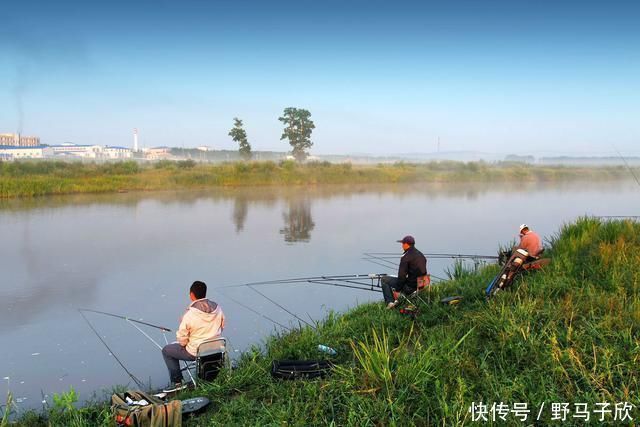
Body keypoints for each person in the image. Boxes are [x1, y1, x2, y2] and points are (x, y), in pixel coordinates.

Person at [161, 281, 225, 392]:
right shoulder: (218, 309)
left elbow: (182, 340)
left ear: (191, 295)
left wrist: (185, 343)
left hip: (196, 352)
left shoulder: (190, 315)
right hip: (216, 349)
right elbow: (222, 325)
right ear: (205, 293)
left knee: (167, 350)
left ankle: (177, 383)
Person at [381, 235, 427, 308]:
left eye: (402, 244)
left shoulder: (406, 257)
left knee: (384, 279)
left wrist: (397, 290)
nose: (402, 246)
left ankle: (390, 303)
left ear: (406, 244)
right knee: (399, 279)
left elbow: (402, 276)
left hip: (410, 288)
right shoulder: (421, 255)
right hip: (421, 286)